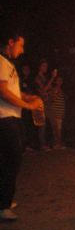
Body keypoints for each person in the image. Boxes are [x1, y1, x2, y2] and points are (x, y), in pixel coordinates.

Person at [0, 32, 43, 220]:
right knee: (11, 161)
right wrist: (28, 106)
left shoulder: (8, 64)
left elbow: (13, 91)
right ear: (10, 42)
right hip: (5, 118)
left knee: (9, 161)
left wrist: (28, 97)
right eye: (20, 45)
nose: (22, 49)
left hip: (11, 117)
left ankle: (4, 200)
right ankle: (3, 206)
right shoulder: (1, 61)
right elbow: (3, 92)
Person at [34, 59, 57, 151]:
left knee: (53, 123)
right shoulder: (37, 78)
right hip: (40, 104)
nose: (46, 68)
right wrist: (52, 78)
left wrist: (52, 93)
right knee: (42, 126)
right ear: (39, 67)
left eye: (46, 66)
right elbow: (43, 90)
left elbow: (49, 89)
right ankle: (42, 145)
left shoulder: (45, 78)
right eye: (44, 66)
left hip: (48, 103)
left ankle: (54, 143)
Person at [48, 76, 66, 149]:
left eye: (61, 80)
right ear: (55, 82)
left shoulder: (61, 89)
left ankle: (58, 143)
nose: (60, 82)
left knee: (59, 128)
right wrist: (57, 93)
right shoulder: (54, 89)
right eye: (58, 80)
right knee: (56, 129)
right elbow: (52, 99)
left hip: (60, 112)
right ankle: (56, 144)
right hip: (55, 112)